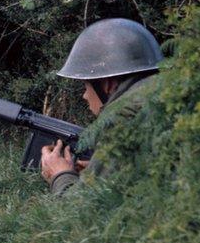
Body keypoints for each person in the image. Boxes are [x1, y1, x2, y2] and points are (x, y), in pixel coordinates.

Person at [40, 18, 163, 194]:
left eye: (86, 86)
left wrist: (60, 174)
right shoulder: (166, 93)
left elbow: (82, 211)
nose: (84, 96)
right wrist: (99, 169)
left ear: (107, 84)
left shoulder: (123, 119)